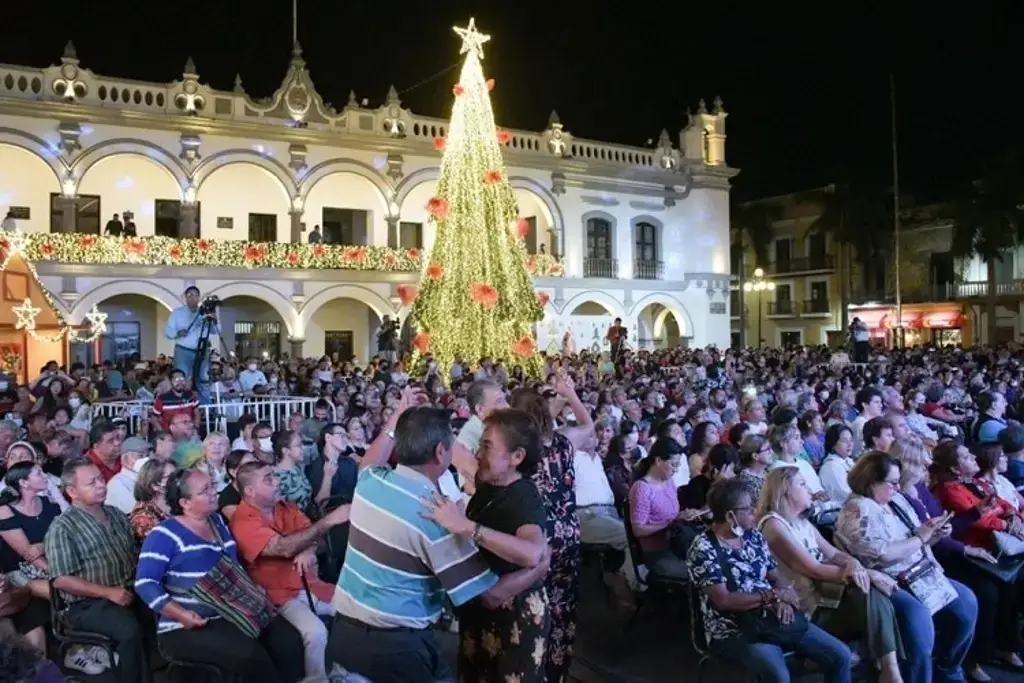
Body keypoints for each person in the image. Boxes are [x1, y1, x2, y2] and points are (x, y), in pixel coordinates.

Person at [327, 390, 536, 683]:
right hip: (397, 649)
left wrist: (398, 414)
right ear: (440, 452)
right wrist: (537, 565)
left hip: (341, 637)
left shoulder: (370, 482)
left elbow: (371, 460)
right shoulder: (436, 517)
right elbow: (491, 595)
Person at [134, 468, 303, 683]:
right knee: (250, 655)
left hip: (232, 610)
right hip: (187, 624)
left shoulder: (218, 523)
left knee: (288, 641)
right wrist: (182, 615)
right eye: (206, 490)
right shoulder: (164, 534)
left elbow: (233, 567)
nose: (215, 492)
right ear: (185, 503)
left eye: (213, 486)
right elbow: (145, 584)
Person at [421, 409, 551, 683]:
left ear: (517, 457)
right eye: (481, 444)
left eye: (488, 446)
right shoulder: (489, 485)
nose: (479, 454)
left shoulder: (523, 496)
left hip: (513, 619)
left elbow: (533, 553)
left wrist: (466, 527)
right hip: (481, 613)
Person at [687, 479, 853, 683]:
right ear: (731, 516)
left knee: (841, 656)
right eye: (748, 509)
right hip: (734, 629)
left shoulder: (752, 535)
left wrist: (783, 597)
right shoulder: (704, 548)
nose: (755, 512)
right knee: (778, 676)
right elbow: (724, 600)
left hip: (771, 616)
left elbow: (774, 574)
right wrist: (772, 596)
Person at [834, 452, 978, 683]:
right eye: (891, 482)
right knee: (919, 625)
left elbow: (917, 539)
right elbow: (879, 556)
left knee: (967, 602)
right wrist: (921, 538)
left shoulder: (896, 500)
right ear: (872, 482)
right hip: (889, 581)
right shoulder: (857, 508)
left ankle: (947, 668)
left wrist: (934, 533)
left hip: (922, 572)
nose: (897, 487)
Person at [758, 467, 904, 683]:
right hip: (803, 612)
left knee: (871, 593)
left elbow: (834, 553)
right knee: (869, 591)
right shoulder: (774, 526)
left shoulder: (802, 522)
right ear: (785, 491)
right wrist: (867, 573)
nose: (809, 489)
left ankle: (888, 669)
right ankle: (887, 668)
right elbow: (813, 569)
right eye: (802, 484)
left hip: (825, 599)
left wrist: (853, 563)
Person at [230, 461, 350, 680]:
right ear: (249, 491)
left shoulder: (287, 507)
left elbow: (317, 539)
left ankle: (342, 671)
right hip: (278, 595)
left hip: (313, 585)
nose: (277, 481)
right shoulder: (242, 521)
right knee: (315, 632)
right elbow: (284, 548)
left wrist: (309, 550)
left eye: (275, 476)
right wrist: (329, 521)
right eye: (269, 479)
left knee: (354, 609)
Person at [44, 459, 147, 683]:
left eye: (101, 479)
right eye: (91, 483)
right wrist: (108, 593)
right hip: (86, 604)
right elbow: (61, 579)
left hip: (129, 589)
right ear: (72, 491)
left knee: (163, 613)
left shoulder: (116, 514)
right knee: (129, 632)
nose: (101, 485)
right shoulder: (63, 527)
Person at [162, 286, 220, 403]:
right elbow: (167, 331)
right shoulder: (177, 313)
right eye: (190, 295)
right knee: (181, 377)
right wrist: (177, 333)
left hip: (202, 350)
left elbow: (217, 330)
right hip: (183, 350)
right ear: (186, 298)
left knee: (204, 378)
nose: (193, 298)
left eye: (195, 295)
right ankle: (182, 404)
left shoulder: (204, 312)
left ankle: (204, 407)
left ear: (199, 297)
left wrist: (215, 318)